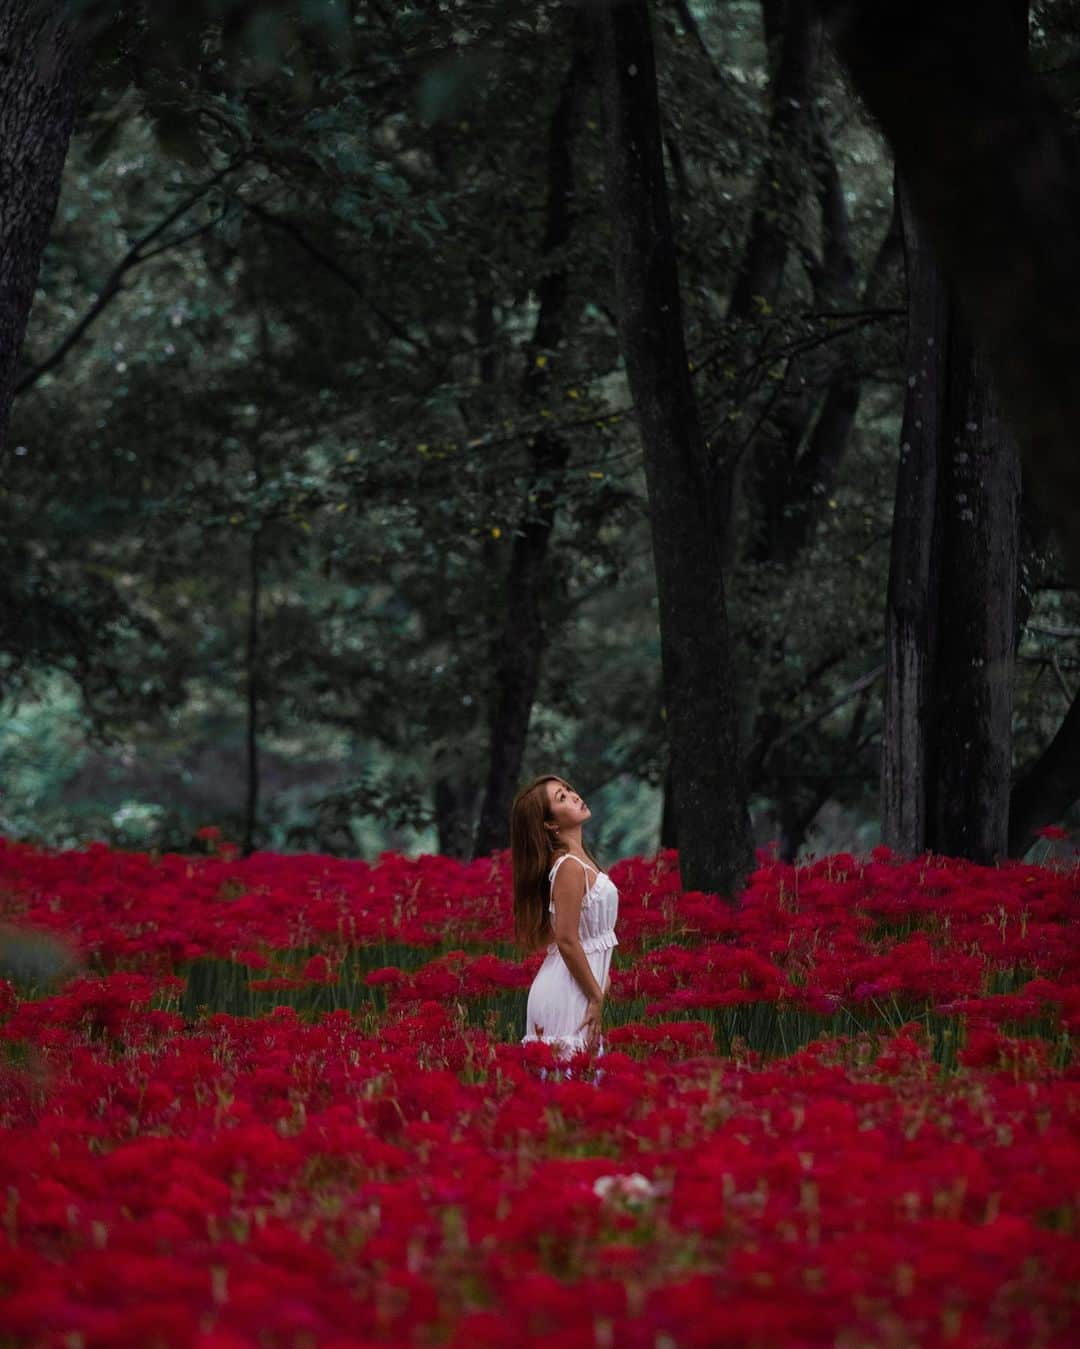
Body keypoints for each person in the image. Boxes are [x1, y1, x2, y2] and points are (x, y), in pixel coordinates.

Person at [510, 774, 619, 1067]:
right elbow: (567, 940)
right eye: (561, 798)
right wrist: (596, 997)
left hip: (581, 988)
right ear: (550, 824)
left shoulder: (581, 861)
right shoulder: (569, 867)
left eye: (569, 790)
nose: (573, 795)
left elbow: (587, 936)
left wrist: (600, 983)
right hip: (567, 993)